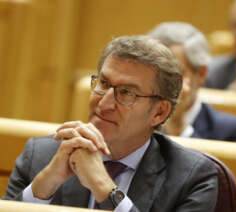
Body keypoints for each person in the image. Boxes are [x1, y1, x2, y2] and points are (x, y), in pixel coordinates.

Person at [3, 36, 218, 211]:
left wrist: (105, 188)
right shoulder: (41, 155)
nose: (104, 103)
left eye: (126, 93)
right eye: (103, 83)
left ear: (159, 112)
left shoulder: (192, 178)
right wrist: (43, 186)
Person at [149, 22, 236, 144]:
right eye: (155, 74)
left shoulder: (232, 132)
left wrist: (178, 126)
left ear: (201, 74)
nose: (161, 84)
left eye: (172, 74)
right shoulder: (134, 121)